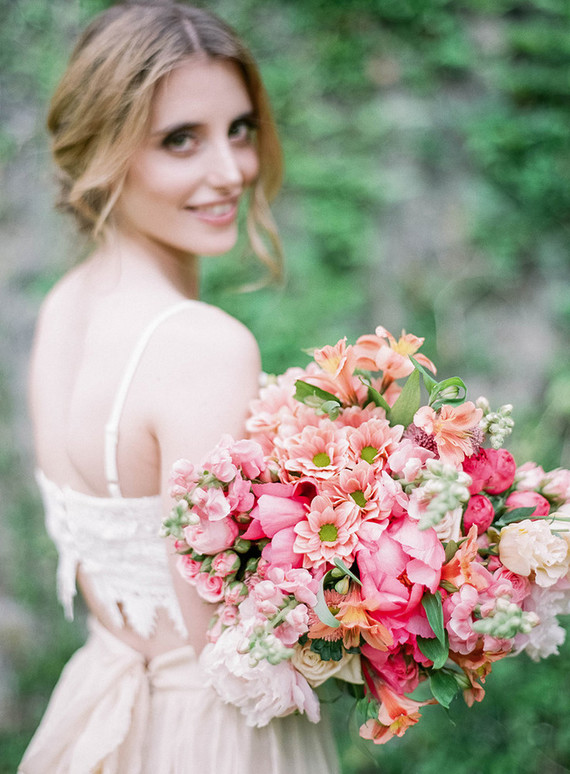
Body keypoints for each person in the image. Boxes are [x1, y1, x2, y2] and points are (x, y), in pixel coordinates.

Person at [19, 2, 340, 772]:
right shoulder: (203, 346)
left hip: (105, 692)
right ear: (103, 150)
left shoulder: (66, 304)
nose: (230, 171)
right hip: (213, 734)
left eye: (239, 128)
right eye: (180, 140)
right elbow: (231, 640)